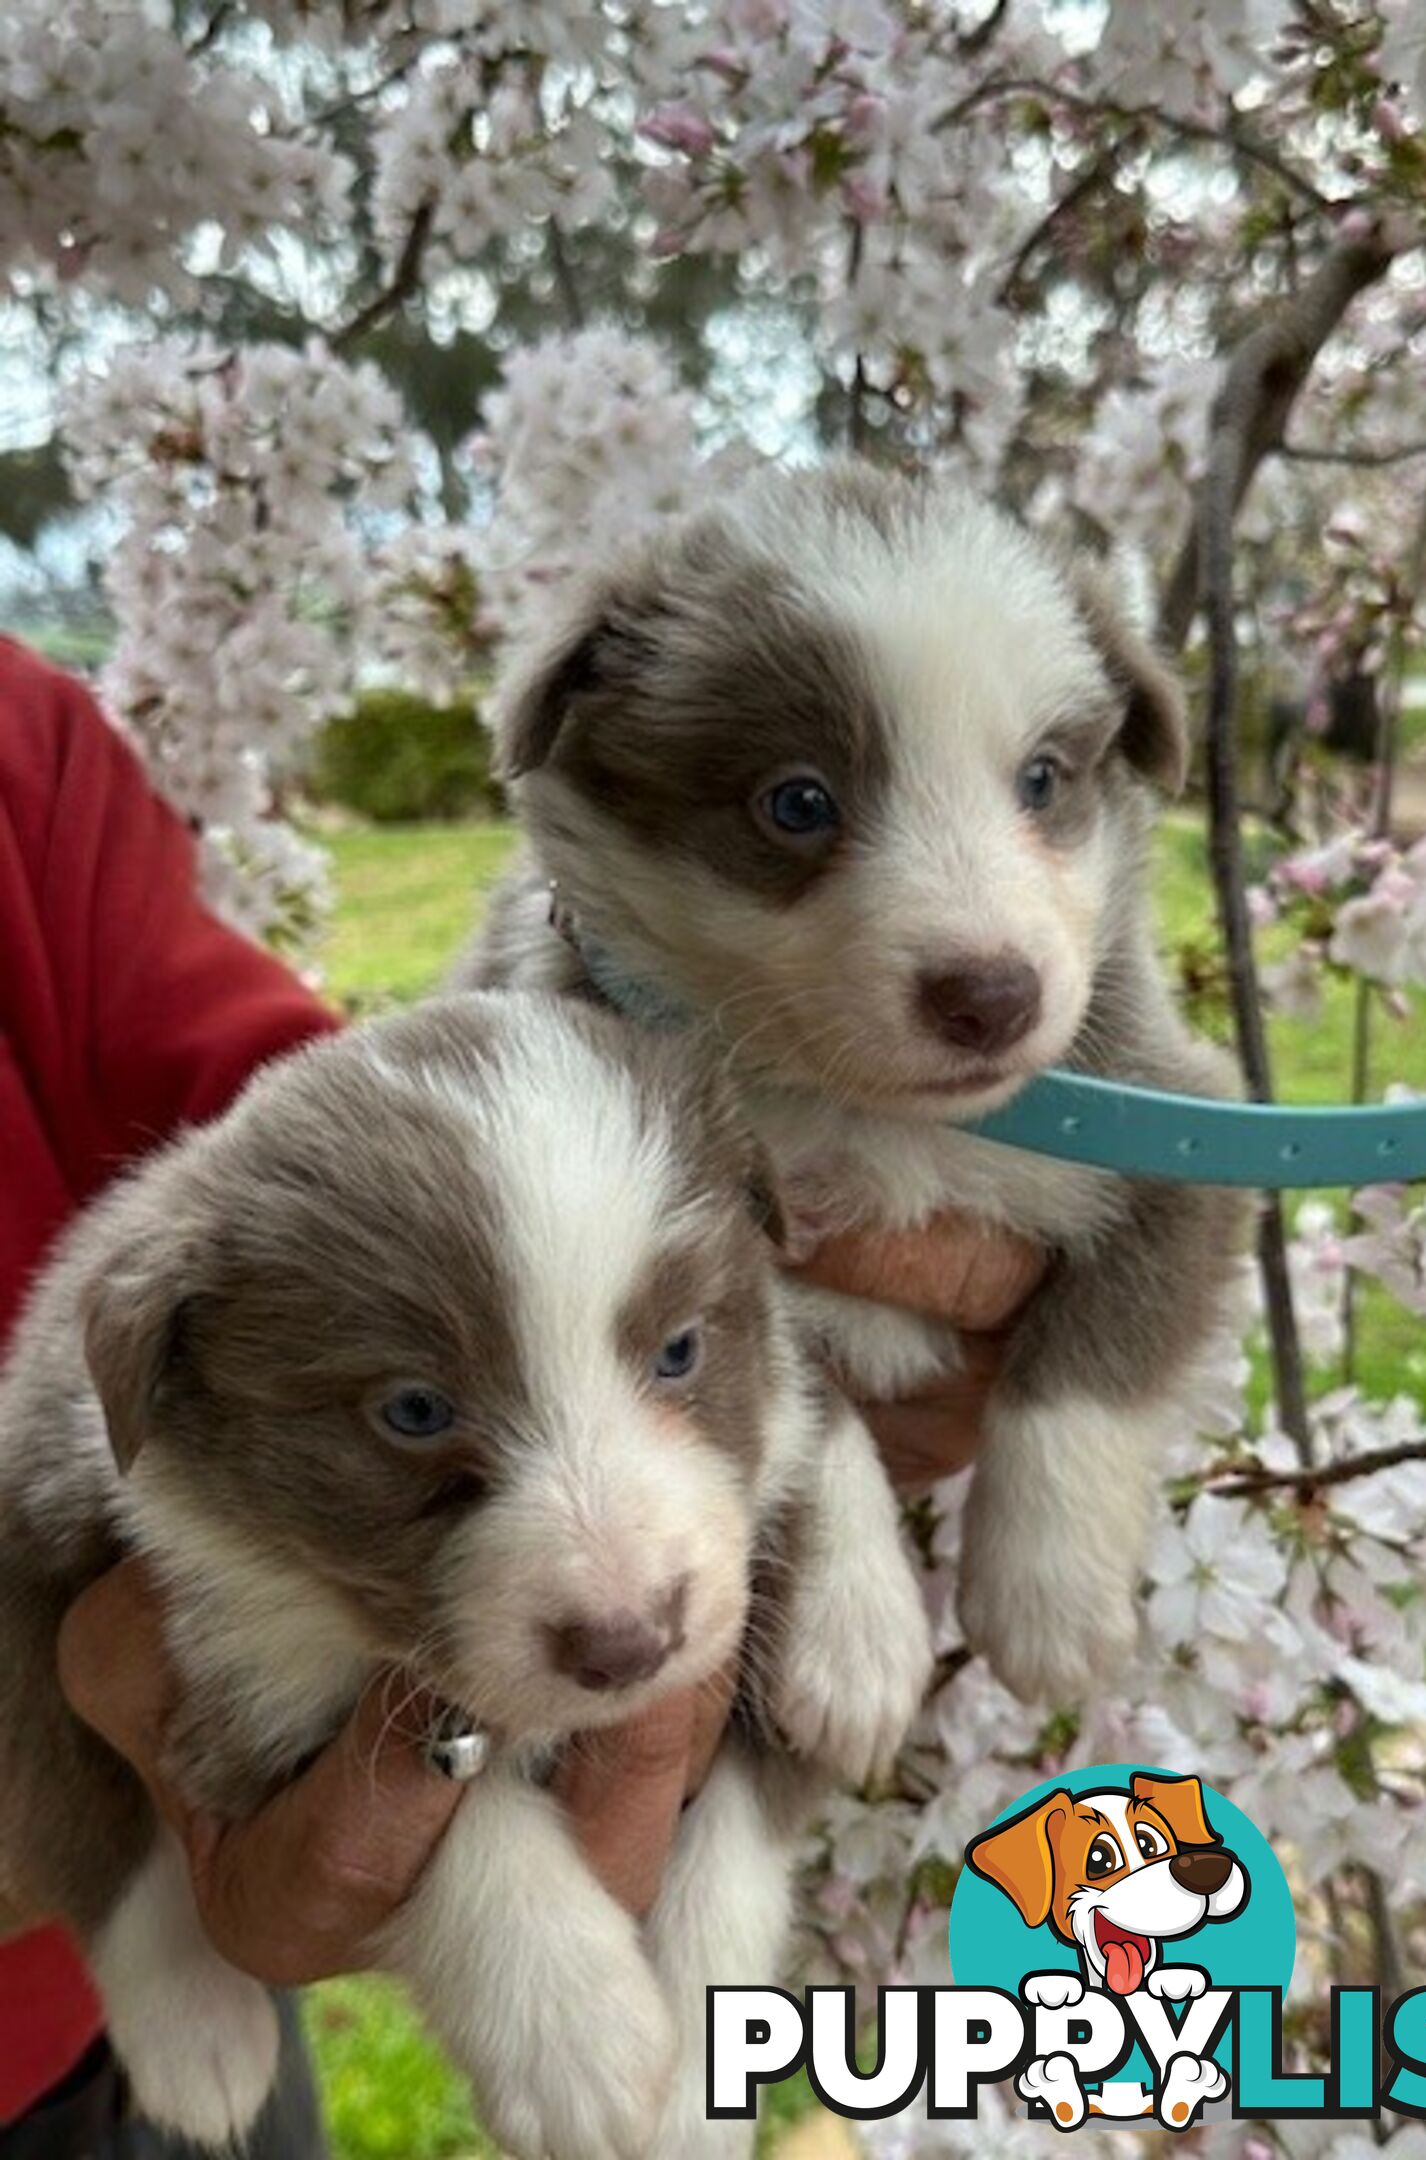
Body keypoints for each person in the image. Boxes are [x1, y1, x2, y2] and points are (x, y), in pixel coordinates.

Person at [0, 636, 1044, 2155]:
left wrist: (831, 1473)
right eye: (420, 1424)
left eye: (674, 1359)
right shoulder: (175, 1429)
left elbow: (337, 1125)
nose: (619, 1610)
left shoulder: (20, 737)